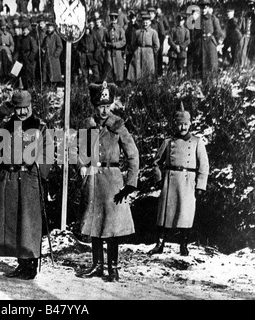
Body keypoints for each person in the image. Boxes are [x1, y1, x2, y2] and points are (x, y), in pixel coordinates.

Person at [0, 91, 53, 280]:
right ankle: (21, 263)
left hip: (29, 177)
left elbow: (48, 152)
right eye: (17, 108)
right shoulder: (6, 125)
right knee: (12, 221)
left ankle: (31, 264)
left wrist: (39, 175)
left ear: (31, 106)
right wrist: (0, 112)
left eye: (25, 108)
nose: (21, 112)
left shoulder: (40, 126)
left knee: (28, 222)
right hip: (8, 176)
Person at [76, 82, 139, 282]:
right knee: (95, 220)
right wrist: (82, 165)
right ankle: (97, 265)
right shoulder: (88, 125)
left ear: (111, 105)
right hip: (94, 176)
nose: (104, 110)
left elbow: (133, 154)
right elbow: (76, 148)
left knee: (112, 224)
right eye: (100, 106)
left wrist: (131, 181)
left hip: (113, 178)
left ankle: (113, 267)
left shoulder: (119, 126)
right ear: (94, 106)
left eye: (107, 105)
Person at [148, 103, 209, 257]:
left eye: (186, 124)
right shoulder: (168, 142)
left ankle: (184, 245)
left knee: (185, 214)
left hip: (188, 181)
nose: (183, 128)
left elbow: (204, 165)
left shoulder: (197, 142)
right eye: (180, 124)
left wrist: (200, 186)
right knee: (164, 214)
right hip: (170, 181)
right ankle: (160, 244)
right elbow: (156, 162)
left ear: (190, 124)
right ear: (176, 125)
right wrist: (159, 179)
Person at [193, 0, 224, 79]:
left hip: (210, 44)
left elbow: (218, 32)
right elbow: (195, 33)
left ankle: (211, 83)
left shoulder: (213, 19)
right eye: (202, 8)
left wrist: (217, 44)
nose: (203, 10)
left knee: (211, 63)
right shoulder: (198, 19)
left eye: (205, 8)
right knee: (201, 64)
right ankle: (201, 82)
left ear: (208, 8)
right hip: (201, 45)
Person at [126, 13, 160, 83]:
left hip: (149, 54)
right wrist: (137, 50)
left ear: (150, 22)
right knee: (137, 70)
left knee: (148, 71)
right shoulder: (137, 32)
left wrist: (151, 52)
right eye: (143, 22)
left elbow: (157, 45)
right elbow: (133, 43)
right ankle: (136, 86)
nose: (145, 24)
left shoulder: (153, 32)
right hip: (138, 53)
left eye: (146, 22)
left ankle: (147, 86)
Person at [103, 12, 126, 84]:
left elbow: (123, 41)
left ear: (116, 19)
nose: (113, 20)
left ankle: (119, 86)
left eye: (115, 18)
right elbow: (104, 40)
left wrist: (115, 44)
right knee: (109, 68)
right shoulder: (107, 29)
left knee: (118, 69)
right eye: (112, 18)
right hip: (109, 52)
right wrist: (105, 44)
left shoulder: (120, 29)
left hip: (118, 52)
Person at [41, 22, 63, 86]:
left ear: (53, 28)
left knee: (54, 75)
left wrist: (55, 54)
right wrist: (43, 50)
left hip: (54, 59)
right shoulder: (46, 37)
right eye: (48, 28)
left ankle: (54, 87)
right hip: (46, 57)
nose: (49, 29)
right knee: (46, 75)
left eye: (50, 28)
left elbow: (60, 47)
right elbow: (44, 45)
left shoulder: (56, 36)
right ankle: (47, 87)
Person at [18, 22, 39, 89]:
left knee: (29, 74)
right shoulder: (21, 39)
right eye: (23, 30)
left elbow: (34, 49)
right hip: (23, 58)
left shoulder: (31, 38)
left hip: (29, 59)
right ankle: (25, 87)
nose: (24, 31)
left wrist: (30, 58)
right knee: (23, 74)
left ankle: (30, 87)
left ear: (29, 30)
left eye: (26, 30)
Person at [148, 7, 165, 76]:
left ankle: (158, 78)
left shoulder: (158, 24)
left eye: (151, 14)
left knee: (157, 63)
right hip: (149, 48)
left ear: (155, 14)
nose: (150, 15)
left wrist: (158, 45)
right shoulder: (147, 24)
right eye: (149, 14)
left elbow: (162, 35)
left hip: (157, 48)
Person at [240, 0, 255, 67]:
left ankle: (251, 65)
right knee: (243, 50)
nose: (252, 8)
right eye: (250, 6)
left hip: (253, 36)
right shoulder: (245, 16)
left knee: (251, 51)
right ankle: (243, 65)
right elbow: (240, 27)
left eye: (253, 6)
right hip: (246, 36)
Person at [125, 10, 140, 75]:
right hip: (128, 48)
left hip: (135, 48)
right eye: (131, 18)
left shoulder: (138, 26)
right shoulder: (128, 26)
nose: (132, 20)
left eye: (133, 18)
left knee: (135, 64)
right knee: (128, 64)